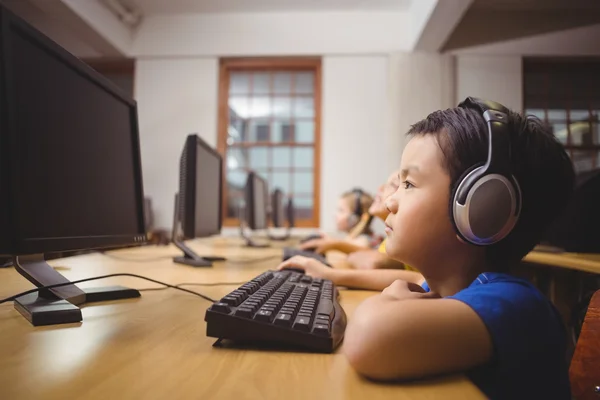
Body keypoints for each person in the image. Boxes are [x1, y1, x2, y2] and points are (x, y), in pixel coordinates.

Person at [279, 98, 574, 399]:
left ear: (481, 210)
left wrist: (390, 300)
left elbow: (367, 338)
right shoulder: (457, 286)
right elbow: (413, 281)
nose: (391, 200)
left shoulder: (515, 305)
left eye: (409, 184)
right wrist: (329, 274)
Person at [300, 188, 375, 251]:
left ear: (354, 219)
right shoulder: (352, 239)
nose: (335, 215)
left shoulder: (363, 240)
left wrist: (332, 244)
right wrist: (329, 241)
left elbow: (362, 248)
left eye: (341, 210)